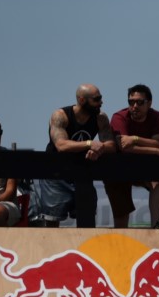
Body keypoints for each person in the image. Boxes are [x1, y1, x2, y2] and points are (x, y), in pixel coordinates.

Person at [35, 84, 116, 227]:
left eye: (100, 98)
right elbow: (61, 145)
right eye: (96, 99)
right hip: (56, 174)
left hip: (82, 172)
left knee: (87, 218)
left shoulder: (100, 118)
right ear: (82, 100)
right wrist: (90, 144)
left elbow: (111, 145)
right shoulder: (60, 116)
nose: (101, 102)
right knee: (52, 221)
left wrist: (99, 149)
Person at [105, 84, 159, 228]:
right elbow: (125, 148)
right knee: (121, 221)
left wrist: (135, 139)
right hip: (120, 170)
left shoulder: (155, 116)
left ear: (149, 103)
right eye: (131, 102)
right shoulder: (119, 117)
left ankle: (156, 226)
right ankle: (122, 238)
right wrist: (156, 151)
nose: (135, 106)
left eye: (139, 102)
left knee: (157, 182)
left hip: (144, 167)